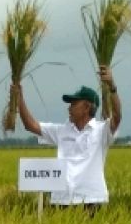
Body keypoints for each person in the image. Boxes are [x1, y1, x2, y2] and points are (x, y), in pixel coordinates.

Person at [14, 66, 121, 211]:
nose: (69, 108)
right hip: (62, 198)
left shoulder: (101, 130)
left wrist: (112, 87)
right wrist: (19, 99)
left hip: (91, 199)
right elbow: (30, 125)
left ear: (87, 107)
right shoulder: (62, 131)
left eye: (74, 104)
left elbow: (117, 117)